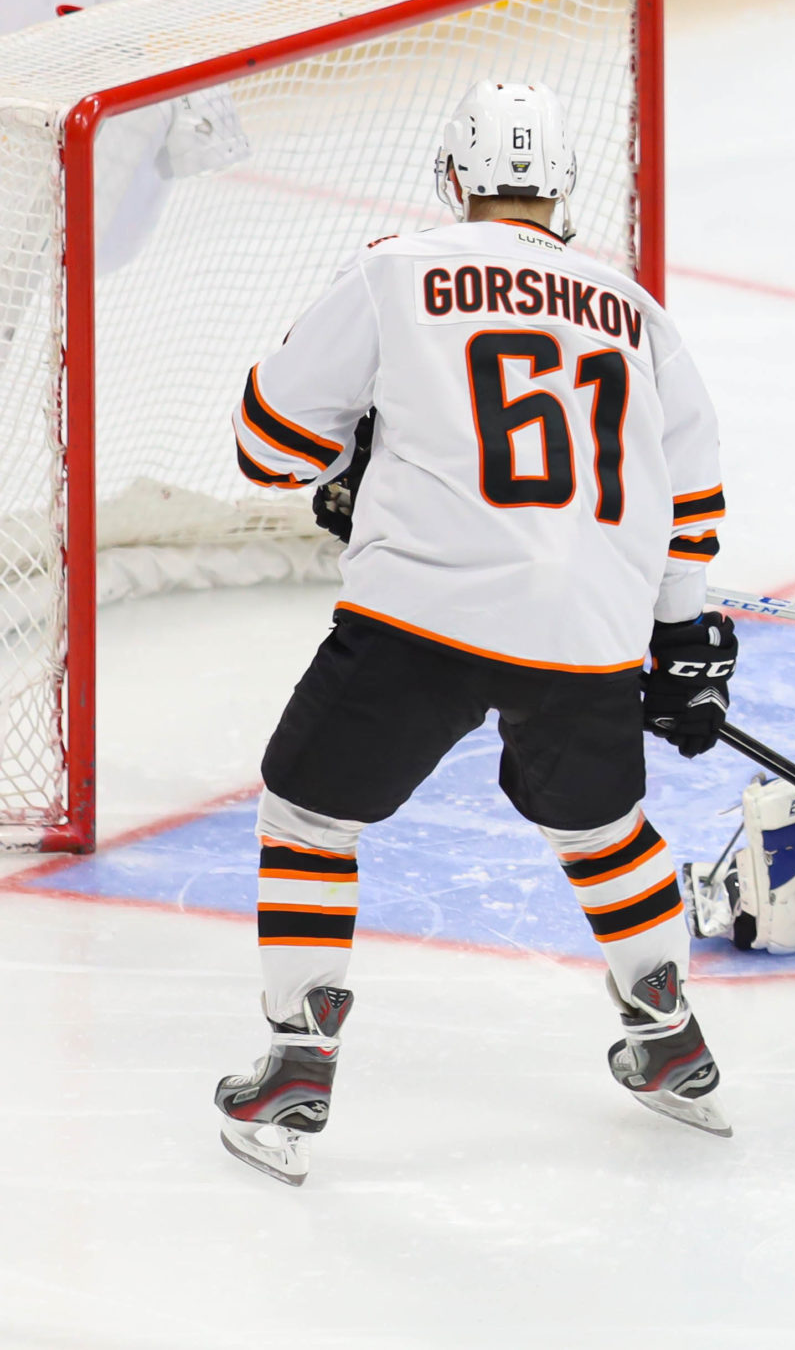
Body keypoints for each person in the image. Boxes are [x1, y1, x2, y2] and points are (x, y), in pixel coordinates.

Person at [217, 82, 738, 1185]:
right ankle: (668, 1036)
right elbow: (690, 497)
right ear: (562, 192)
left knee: (310, 814)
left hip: (424, 610)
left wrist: (353, 459)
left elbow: (268, 444)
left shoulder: (397, 266)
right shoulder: (636, 308)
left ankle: (297, 1067)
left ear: (453, 178)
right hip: (590, 627)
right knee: (603, 831)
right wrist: (680, 638)